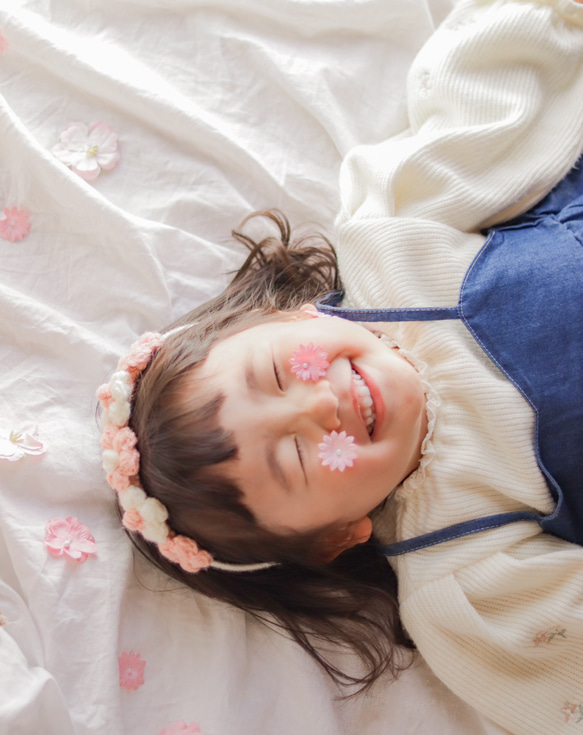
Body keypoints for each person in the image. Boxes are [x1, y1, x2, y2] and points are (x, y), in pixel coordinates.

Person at [97, 1, 583, 733]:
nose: (317, 408)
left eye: (277, 373)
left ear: (290, 318)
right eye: (297, 456)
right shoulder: (464, 576)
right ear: (337, 535)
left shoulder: (398, 246)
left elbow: (493, 96)